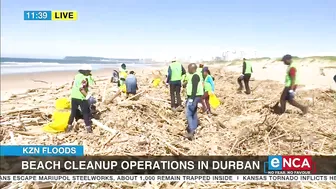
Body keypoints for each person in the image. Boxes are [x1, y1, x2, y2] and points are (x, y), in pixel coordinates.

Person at [66, 64, 93, 133]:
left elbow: (72, 84)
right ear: (86, 71)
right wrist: (88, 96)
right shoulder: (84, 78)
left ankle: (69, 127)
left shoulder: (76, 76)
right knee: (86, 112)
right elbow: (81, 88)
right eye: (89, 71)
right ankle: (88, 128)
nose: (90, 72)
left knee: (73, 112)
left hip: (73, 96)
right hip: (81, 97)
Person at [185, 63, 204, 140]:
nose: (188, 70)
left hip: (194, 97)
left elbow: (194, 89)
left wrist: (191, 99)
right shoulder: (197, 75)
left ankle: (191, 131)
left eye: (189, 68)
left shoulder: (195, 76)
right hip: (197, 97)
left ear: (192, 69)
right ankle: (194, 129)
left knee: (189, 113)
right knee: (194, 113)